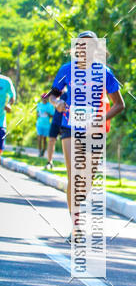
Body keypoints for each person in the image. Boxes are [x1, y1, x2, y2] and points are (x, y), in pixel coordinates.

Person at [48, 32, 124, 238]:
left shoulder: (104, 72)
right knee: (74, 174)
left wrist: (100, 119)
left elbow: (119, 105)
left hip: (94, 130)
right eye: (81, 45)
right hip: (70, 126)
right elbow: (52, 95)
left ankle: (77, 207)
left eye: (90, 46)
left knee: (86, 179)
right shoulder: (67, 69)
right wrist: (58, 103)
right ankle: (76, 226)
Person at [0, 70, 16, 158]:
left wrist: (9, 105)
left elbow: (12, 95)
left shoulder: (6, 81)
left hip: (1, 121)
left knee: (0, 146)